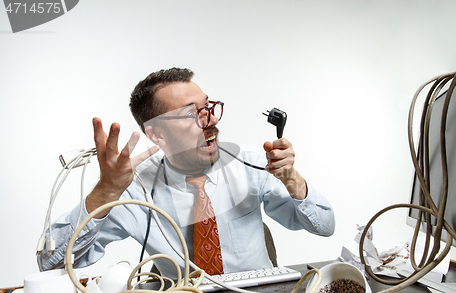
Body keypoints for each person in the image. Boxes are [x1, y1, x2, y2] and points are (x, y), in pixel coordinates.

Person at [37, 68, 335, 278]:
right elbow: (50, 263)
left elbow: (325, 226)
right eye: (193, 114)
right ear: (157, 134)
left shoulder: (252, 162)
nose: (210, 121)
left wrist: (292, 179)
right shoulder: (133, 188)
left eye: (209, 107)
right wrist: (105, 193)